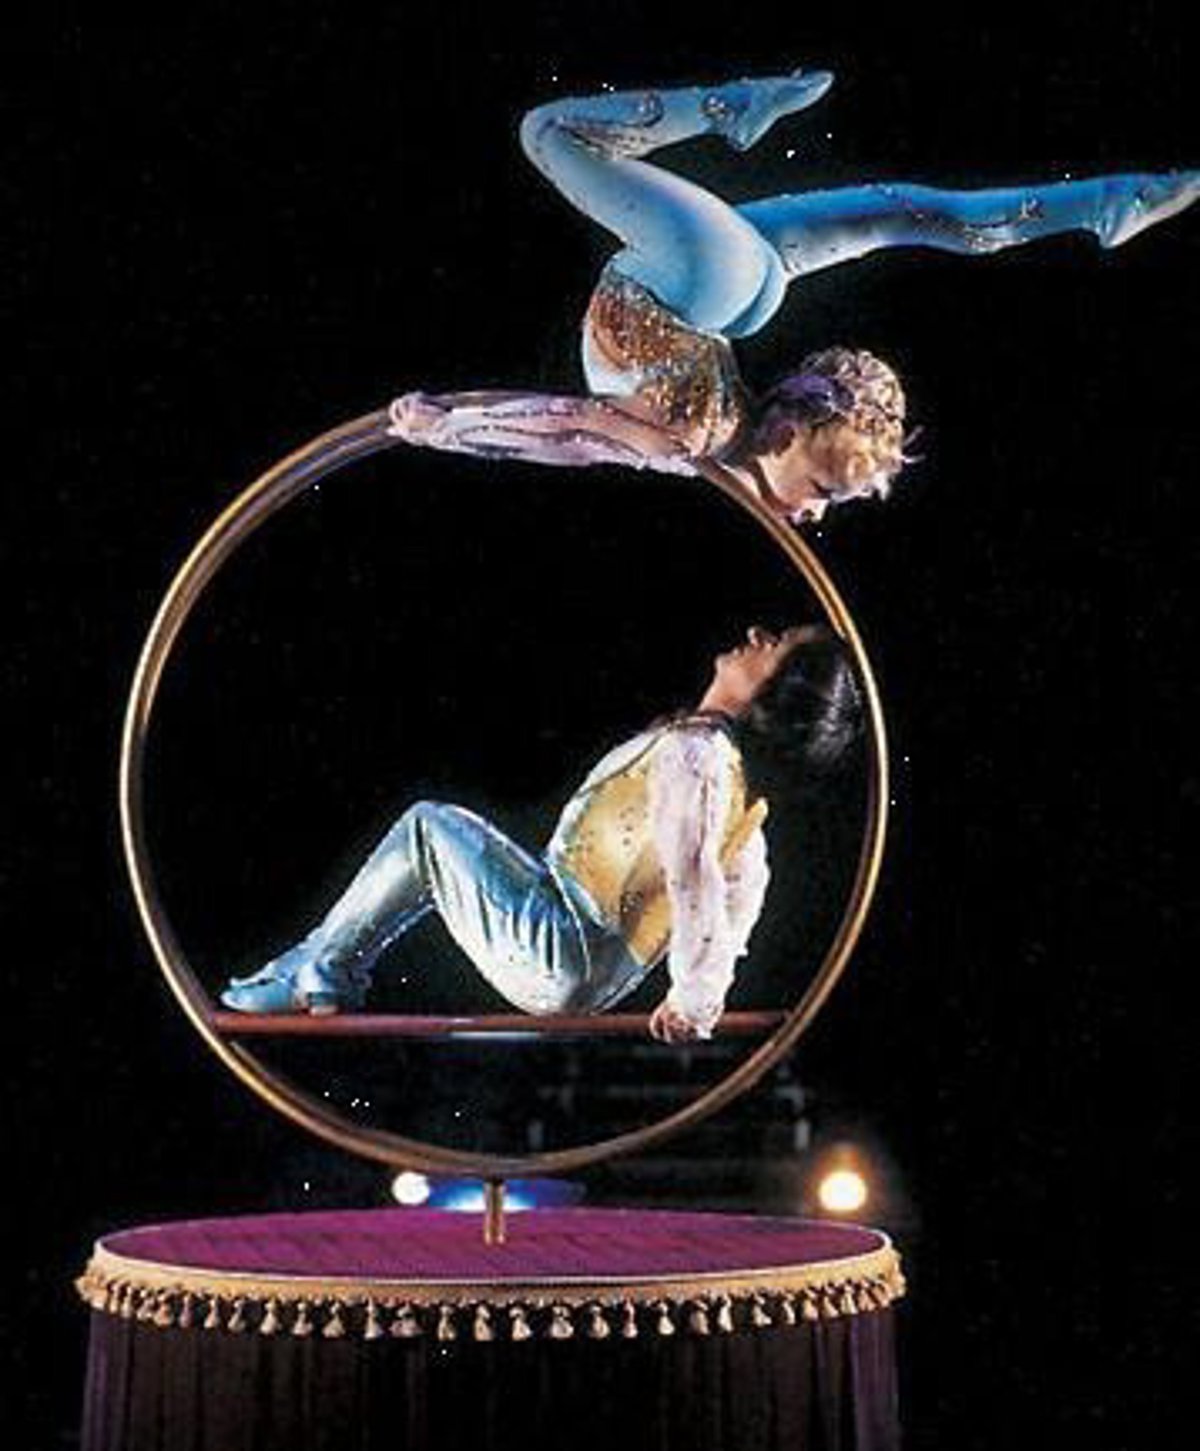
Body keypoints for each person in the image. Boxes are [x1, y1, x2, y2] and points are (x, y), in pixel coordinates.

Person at [385, 69, 1197, 524]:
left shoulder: (712, 423)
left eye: (825, 494)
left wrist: (451, 424)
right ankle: (727, 109)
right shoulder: (685, 441)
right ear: (783, 429)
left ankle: (1104, 202)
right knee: (549, 133)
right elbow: (567, 428)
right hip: (698, 282)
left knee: (897, 212)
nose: (814, 516)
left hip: (741, 288)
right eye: (825, 492)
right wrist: (442, 430)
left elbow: (569, 427)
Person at [220, 624, 862, 1042]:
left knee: (428, 829)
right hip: (581, 958)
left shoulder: (697, 756)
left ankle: (321, 973)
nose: (755, 634)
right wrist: (704, 993)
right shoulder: (740, 802)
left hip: (562, 944)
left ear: (773, 694)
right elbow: (737, 905)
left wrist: (695, 999)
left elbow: (696, 880)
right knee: (441, 839)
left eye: (774, 644)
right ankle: (318, 967)